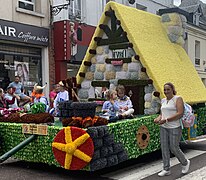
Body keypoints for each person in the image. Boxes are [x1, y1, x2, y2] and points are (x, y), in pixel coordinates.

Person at [154, 82, 190, 177]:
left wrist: (166, 120)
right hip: (163, 127)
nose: (166, 91)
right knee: (164, 148)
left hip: (175, 127)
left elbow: (180, 113)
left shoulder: (177, 99)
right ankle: (166, 169)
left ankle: (185, 162)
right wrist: (159, 118)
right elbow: (162, 113)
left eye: (168, 89)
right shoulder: (163, 100)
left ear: (172, 90)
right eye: (165, 89)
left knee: (174, 148)